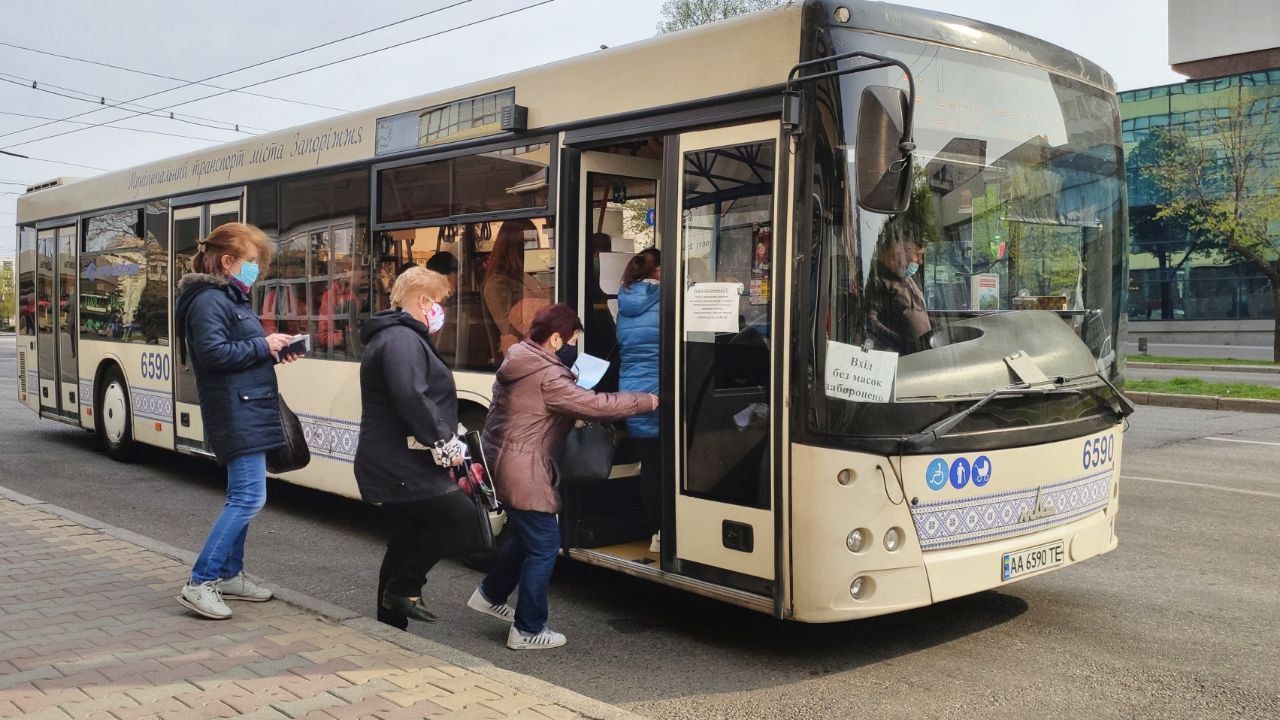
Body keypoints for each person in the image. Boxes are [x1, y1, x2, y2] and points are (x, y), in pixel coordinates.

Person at [472, 304, 658, 650]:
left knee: (527, 534)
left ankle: (489, 593)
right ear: (556, 338)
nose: (573, 345)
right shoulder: (548, 375)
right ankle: (527, 629)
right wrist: (644, 400)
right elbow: (596, 406)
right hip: (524, 467)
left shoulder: (520, 357)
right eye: (572, 339)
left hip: (504, 458)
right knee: (544, 545)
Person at [173, 223, 302, 620]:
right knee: (249, 498)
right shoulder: (210, 300)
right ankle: (200, 582)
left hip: (248, 404)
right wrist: (262, 345)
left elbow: (235, 351)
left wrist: (273, 351)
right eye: (250, 261)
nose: (256, 269)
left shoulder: (228, 297)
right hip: (236, 409)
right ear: (227, 262)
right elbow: (211, 354)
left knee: (242, 495)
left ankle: (229, 574)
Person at [353, 267, 482, 628]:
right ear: (424, 301)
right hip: (401, 463)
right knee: (462, 519)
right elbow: (411, 394)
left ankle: (390, 623)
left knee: (406, 536)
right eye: (439, 302)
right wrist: (443, 439)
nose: (441, 310)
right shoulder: (401, 339)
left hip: (397, 458)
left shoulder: (398, 336)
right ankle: (405, 587)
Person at [615, 248, 662, 552]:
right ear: (657, 271)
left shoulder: (624, 302)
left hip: (631, 393)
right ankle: (664, 531)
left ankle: (656, 531)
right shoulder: (665, 300)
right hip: (659, 392)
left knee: (651, 465)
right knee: (667, 467)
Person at [482, 219, 547, 355]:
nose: (533, 248)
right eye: (528, 243)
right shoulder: (497, 283)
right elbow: (509, 329)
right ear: (514, 246)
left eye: (535, 242)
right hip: (523, 354)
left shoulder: (525, 276)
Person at [866, 233, 931, 354]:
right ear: (903, 252)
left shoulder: (909, 278)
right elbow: (871, 321)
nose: (921, 261)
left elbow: (918, 312)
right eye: (918, 255)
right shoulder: (879, 282)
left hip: (922, 351)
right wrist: (901, 343)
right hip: (902, 356)